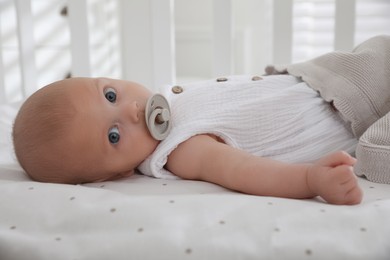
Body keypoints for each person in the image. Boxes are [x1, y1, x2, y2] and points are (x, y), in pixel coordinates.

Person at [13, 35, 390, 205]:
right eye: (114, 136)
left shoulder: (168, 103)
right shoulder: (181, 150)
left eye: (110, 95)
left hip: (324, 78)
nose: (129, 111)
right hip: (353, 112)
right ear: (116, 175)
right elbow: (247, 171)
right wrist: (311, 179)